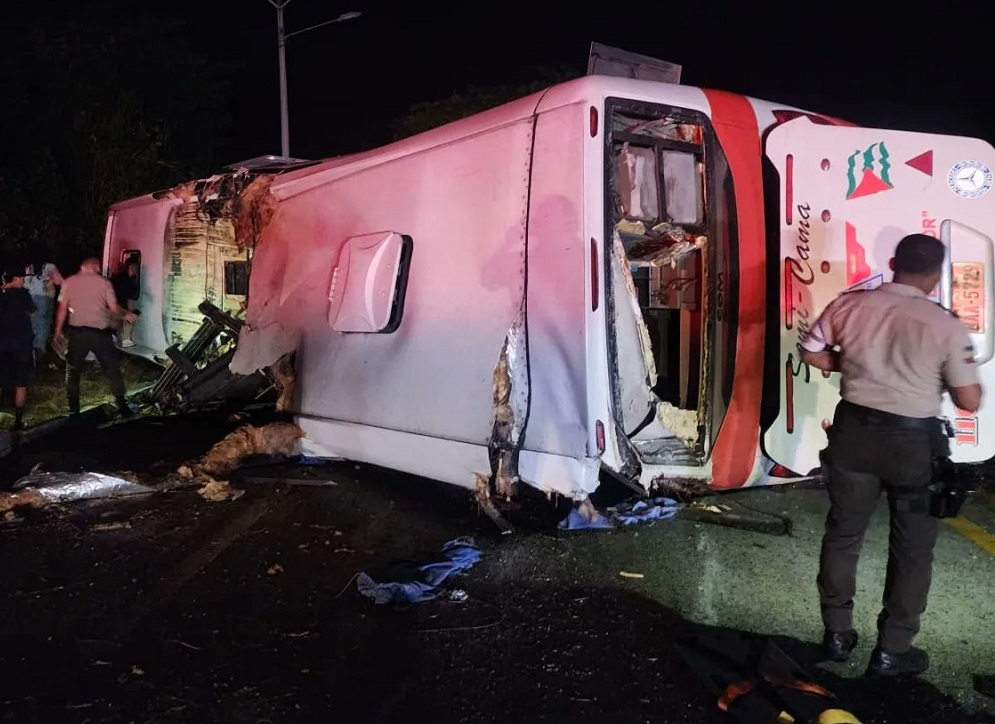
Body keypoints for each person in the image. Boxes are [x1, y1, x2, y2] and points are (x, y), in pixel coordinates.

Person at [800, 233, 982, 677]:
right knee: (913, 550)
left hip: (853, 434)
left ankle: (837, 634)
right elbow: (969, 401)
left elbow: (812, 352)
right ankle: (892, 651)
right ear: (935, 275)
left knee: (843, 537)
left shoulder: (849, 304)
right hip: (913, 447)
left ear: (894, 262)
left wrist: (857, 366)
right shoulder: (944, 324)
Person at [53, 257, 138, 418]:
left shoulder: (69, 282)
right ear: (94, 266)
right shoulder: (104, 283)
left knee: (72, 370)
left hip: (78, 334)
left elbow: (62, 309)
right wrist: (126, 314)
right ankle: (122, 405)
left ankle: (73, 410)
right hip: (99, 334)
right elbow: (113, 308)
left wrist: (57, 332)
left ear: (82, 267)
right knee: (112, 369)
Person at [0, 264, 38, 430]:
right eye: (22, 279)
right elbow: (33, 312)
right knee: (21, 382)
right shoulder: (23, 294)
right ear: (15, 279)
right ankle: (18, 421)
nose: (24, 282)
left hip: (2, 344)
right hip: (22, 344)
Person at [23, 260, 63, 358]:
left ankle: (32, 349)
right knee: (43, 324)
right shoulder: (50, 266)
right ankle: (40, 349)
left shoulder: (29, 265)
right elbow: (59, 281)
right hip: (46, 297)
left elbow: (26, 283)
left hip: (31, 296)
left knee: (33, 323)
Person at [109, 257, 140, 348]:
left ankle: (115, 335)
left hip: (114, 304)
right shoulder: (125, 280)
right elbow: (132, 293)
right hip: (117, 305)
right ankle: (125, 339)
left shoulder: (118, 277)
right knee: (132, 315)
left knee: (124, 317)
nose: (137, 270)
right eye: (136, 267)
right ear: (131, 267)